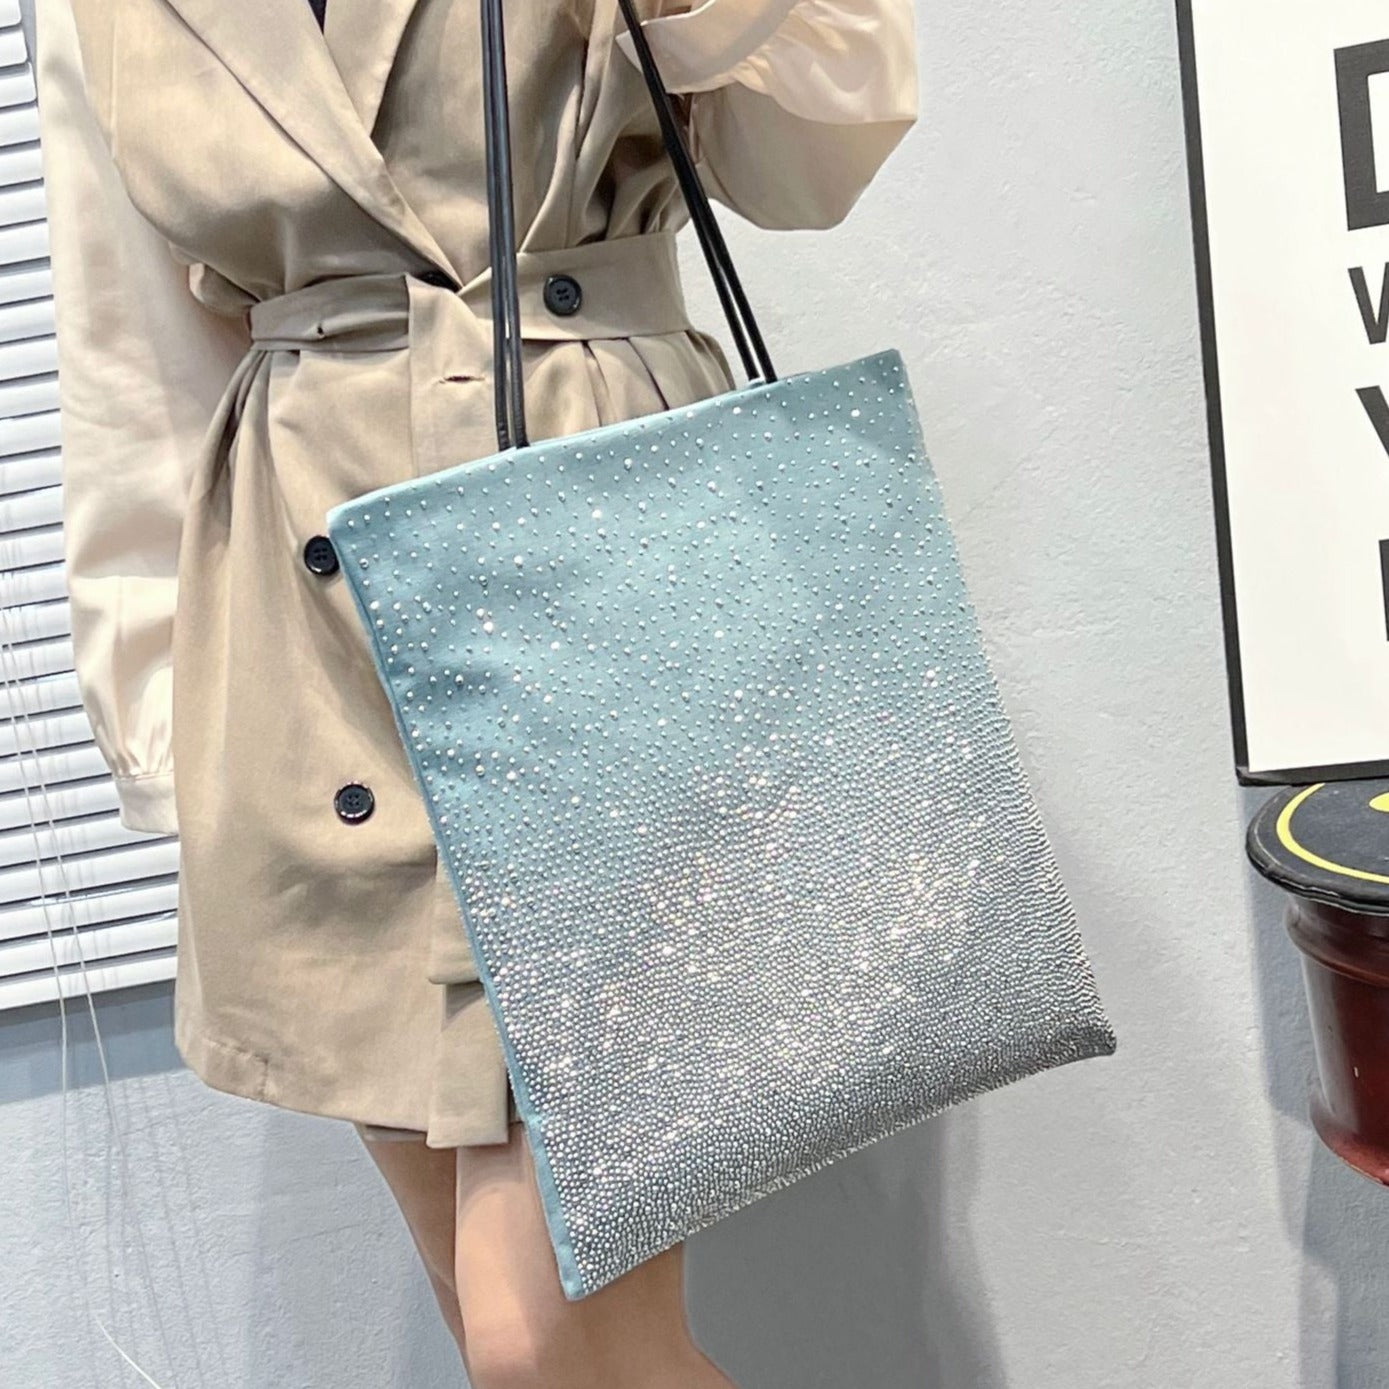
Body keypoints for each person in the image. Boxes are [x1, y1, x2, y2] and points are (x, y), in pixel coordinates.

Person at [34, 0, 917, 1382]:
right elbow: (135, 356)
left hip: (598, 569)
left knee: (534, 1339)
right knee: (502, 1322)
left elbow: (815, 156)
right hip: (300, 650)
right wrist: (167, 730)